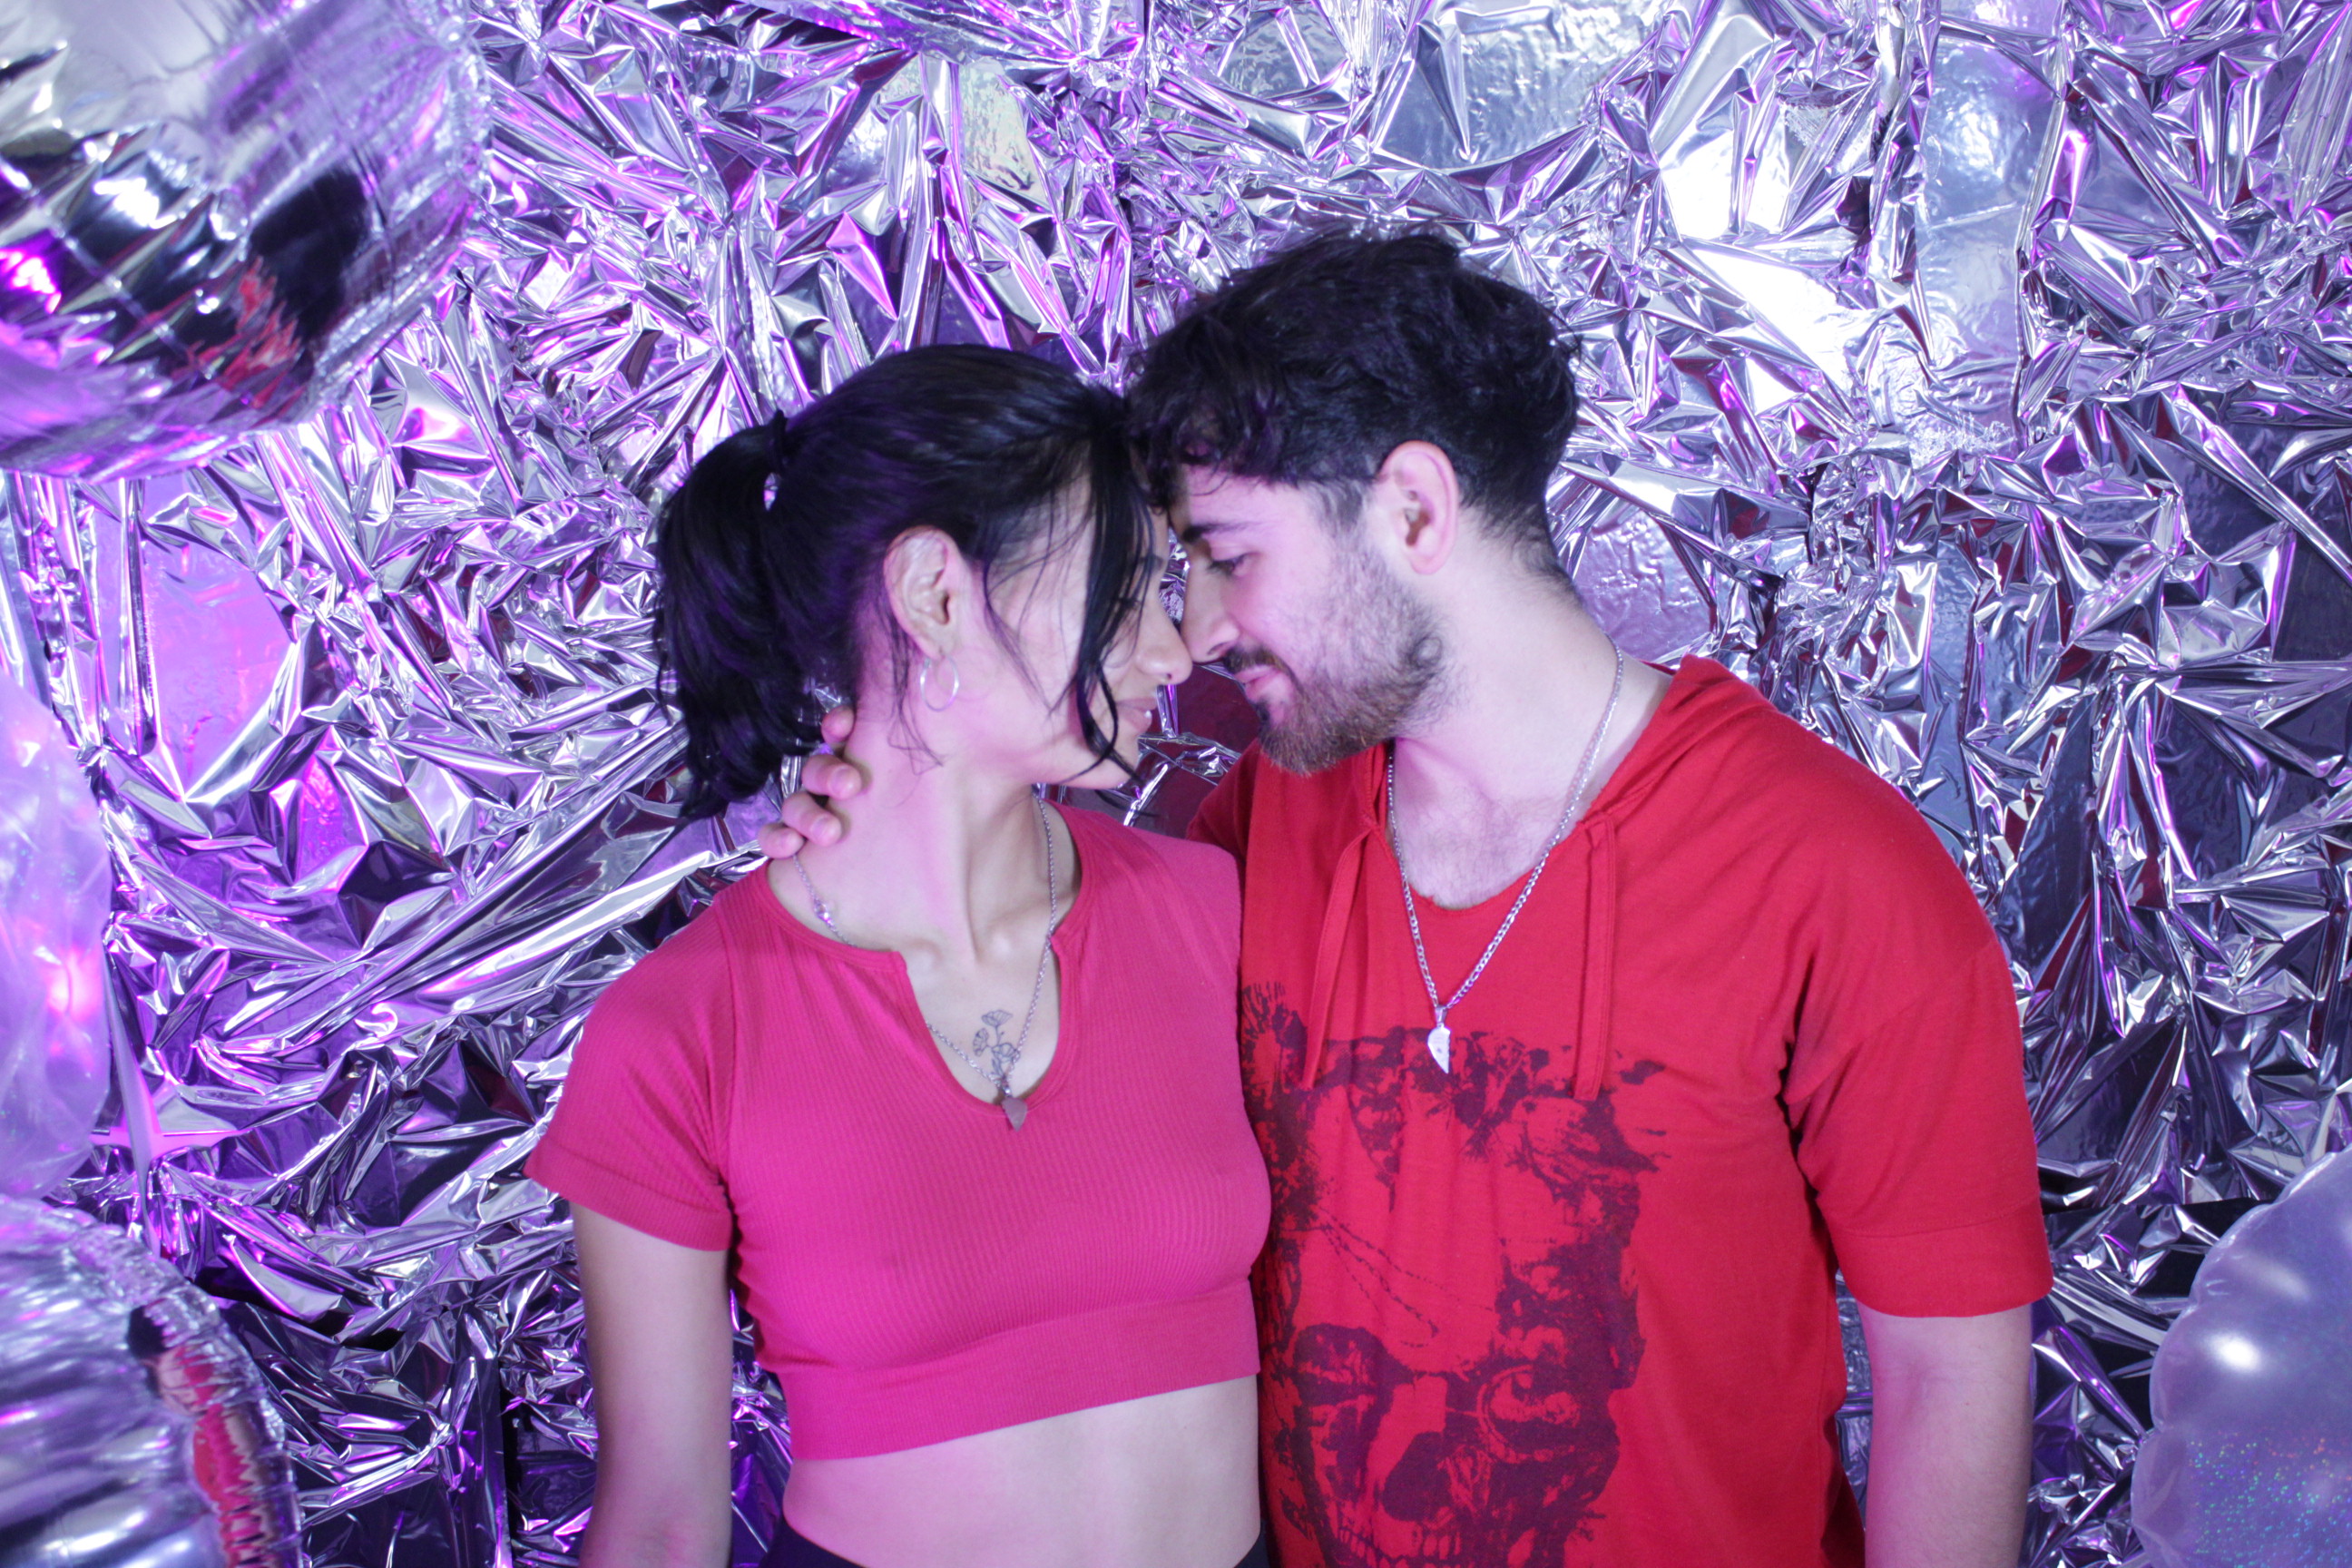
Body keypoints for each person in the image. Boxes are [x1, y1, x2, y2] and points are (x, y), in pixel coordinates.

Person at [763, 233, 2054, 1568]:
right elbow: (1024, 1047)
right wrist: (866, 821)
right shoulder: (1263, 826)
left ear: (1416, 513)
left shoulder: (1836, 874)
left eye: (1228, 554)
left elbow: (1949, 1379)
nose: (1196, 631)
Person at [526, 345, 1274, 1568]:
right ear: (934, 593)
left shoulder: (1213, 912)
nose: (1174, 650)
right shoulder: (680, 1033)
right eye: (1127, 586)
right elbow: (662, 1522)